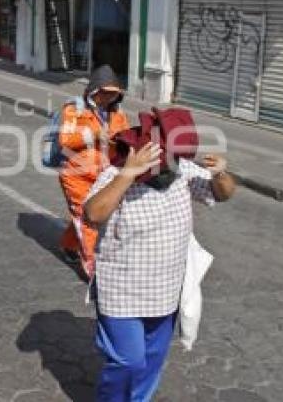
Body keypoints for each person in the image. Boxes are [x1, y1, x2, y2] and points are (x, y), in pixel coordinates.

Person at [85, 142, 235, 400]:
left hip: (165, 290)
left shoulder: (182, 172)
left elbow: (222, 194)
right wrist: (128, 174)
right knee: (128, 361)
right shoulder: (115, 174)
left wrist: (220, 174)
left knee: (152, 361)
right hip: (121, 291)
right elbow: (93, 214)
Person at [57, 64, 130, 280]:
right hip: (77, 176)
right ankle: (94, 272)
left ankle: (69, 245)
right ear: (94, 91)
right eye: (104, 93)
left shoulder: (118, 113)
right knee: (88, 220)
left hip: (105, 175)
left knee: (87, 217)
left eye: (112, 94)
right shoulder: (73, 110)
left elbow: (125, 136)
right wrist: (95, 136)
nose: (107, 98)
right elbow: (65, 140)